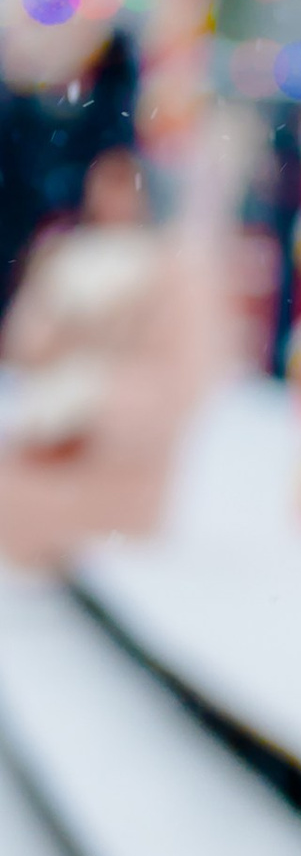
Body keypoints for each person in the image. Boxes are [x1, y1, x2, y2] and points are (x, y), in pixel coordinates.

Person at [0, 147, 229, 568]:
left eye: (125, 185)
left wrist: (88, 405)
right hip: (43, 446)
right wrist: (61, 308)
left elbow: (181, 381)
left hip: (122, 466)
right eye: (105, 184)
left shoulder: (176, 275)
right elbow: (26, 347)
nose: (112, 199)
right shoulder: (65, 258)